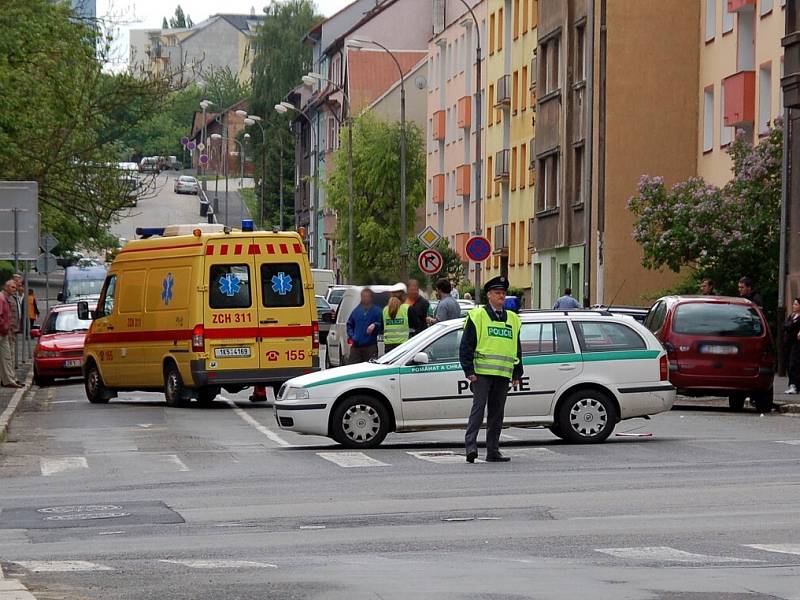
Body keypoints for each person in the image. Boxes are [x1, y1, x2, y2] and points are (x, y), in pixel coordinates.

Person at [459, 276, 522, 463]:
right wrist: (468, 370)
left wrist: (517, 372)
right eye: (497, 293)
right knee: (478, 411)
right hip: (481, 373)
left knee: (497, 413)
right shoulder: (478, 316)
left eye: (503, 293)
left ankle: (493, 450)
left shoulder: (513, 318)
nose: (501, 296)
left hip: (503, 373)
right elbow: (466, 345)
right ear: (489, 296)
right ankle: (471, 447)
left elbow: (516, 348)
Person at [346, 288, 383, 364]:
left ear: (371, 298)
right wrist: (353, 336)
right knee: (352, 368)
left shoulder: (377, 311)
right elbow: (349, 324)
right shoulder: (356, 311)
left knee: (370, 368)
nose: (365, 298)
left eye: (367, 296)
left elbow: (382, 324)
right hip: (356, 347)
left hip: (370, 346)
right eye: (363, 296)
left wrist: (375, 325)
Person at [0, 280, 22, 388]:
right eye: (12, 287)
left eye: (15, 287)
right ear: (6, 287)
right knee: (6, 356)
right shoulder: (1, 298)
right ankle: (8, 380)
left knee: (6, 356)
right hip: (3, 332)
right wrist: (4, 327)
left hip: (6, 332)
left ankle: (8, 380)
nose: (15, 289)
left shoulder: (6, 298)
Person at [382, 285, 410, 353]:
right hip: (403, 345)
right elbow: (416, 326)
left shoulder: (385, 310)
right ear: (403, 296)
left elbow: (382, 327)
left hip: (388, 346)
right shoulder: (407, 309)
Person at [784, 298, 800, 394]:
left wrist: (790, 325)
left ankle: (794, 385)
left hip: (796, 344)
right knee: (789, 363)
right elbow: (785, 325)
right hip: (789, 343)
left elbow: (789, 326)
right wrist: (790, 324)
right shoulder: (792, 315)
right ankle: (793, 384)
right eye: (794, 304)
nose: (794, 306)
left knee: (794, 364)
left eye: (796, 304)